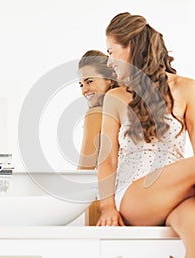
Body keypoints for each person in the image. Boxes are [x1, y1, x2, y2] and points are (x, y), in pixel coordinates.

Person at [96, 12, 195, 258]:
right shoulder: (115, 98)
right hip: (134, 196)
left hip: (175, 195)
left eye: (111, 52)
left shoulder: (188, 88)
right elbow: (107, 159)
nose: (108, 62)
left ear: (130, 46)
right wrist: (107, 206)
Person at [77, 50, 119, 225]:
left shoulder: (95, 114)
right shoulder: (127, 109)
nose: (84, 90)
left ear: (109, 79)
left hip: (102, 201)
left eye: (90, 81)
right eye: (80, 85)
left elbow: (85, 171)